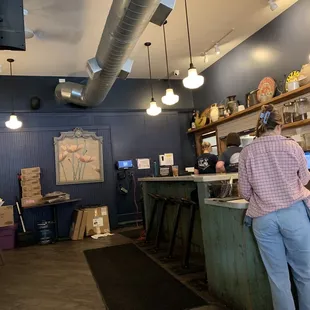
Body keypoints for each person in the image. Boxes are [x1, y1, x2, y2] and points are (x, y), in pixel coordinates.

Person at [238, 104, 310, 310]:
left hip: (263, 218)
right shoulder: (292, 146)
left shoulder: (247, 152)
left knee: (277, 278)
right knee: (305, 274)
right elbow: (305, 179)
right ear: (279, 124)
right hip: (294, 214)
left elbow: (244, 191)